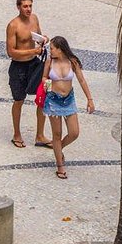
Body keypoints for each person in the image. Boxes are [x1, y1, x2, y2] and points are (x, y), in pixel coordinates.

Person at [39, 34, 95, 179]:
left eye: (52, 48)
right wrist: (47, 84)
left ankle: (59, 148)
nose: (50, 51)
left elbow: (82, 80)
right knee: (56, 134)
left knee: (74, 132)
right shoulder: (50, 61)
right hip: (53, 100)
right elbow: (44, 77)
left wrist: (89, 99)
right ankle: (60, 165)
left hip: (69, 100)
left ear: (60, 49)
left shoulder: (72, 61)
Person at [7, 0, 49, 148]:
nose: (28, 9)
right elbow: (11, 52)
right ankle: (16, 134)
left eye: (30, 6)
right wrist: (33, 51)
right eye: (25, 6)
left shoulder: (34, 19)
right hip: (19, 66)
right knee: (19, 100)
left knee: (42, 97)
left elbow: (38, 36)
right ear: (18, 7)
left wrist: (44, 39)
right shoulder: (13, 25)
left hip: (34, 64)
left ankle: (40, 135)